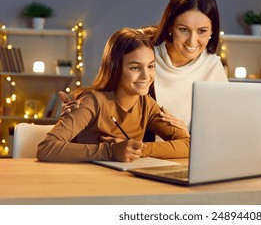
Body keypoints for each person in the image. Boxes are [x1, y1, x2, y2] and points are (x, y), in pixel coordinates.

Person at [61, 0, 228, 130]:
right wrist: (79, 106)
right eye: (183, 29)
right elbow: (105, 90)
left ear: (213, 31)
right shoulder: (141, 46)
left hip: (180, 151)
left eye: (202, 31)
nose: (192, 41)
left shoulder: (212, 66)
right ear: (170, 26)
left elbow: (219, 127)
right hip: (128, 146)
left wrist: (186, 132)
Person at [37, 28, 190, 162]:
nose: (146, 76)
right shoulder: (92, 101)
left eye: (150, 66)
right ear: (115, 68)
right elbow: (46, 148)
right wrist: (110, 152)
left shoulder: (146, 104)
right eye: (135, 68)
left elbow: (188, 145)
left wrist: (139, 150)